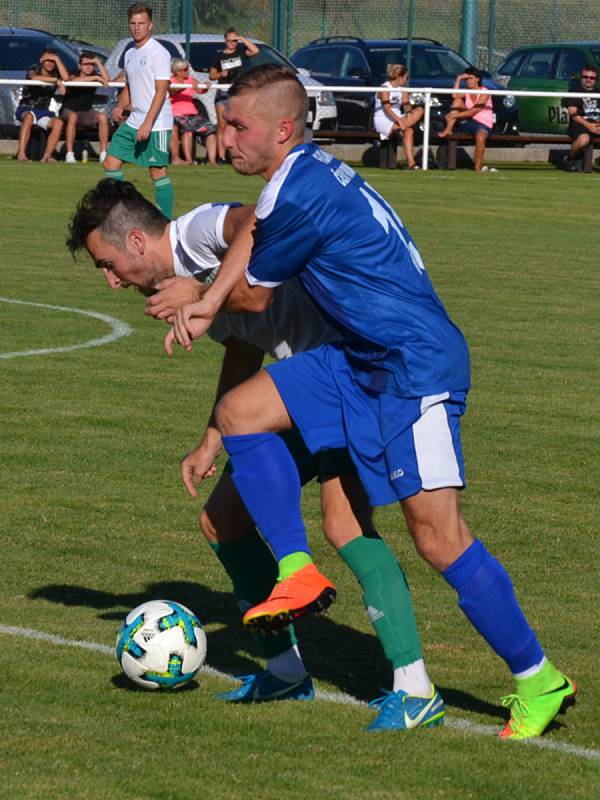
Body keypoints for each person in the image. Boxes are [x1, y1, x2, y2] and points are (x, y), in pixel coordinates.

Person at [165, 64, 576, 740]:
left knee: (438, 538)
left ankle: (537, 677)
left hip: (413, 366)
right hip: (357, 360)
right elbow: (251, 240)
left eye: (238, 125)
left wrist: (198, 297)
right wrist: (207, 298)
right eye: (223, 121)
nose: (223, 136)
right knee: (241, 412)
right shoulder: (297, 178)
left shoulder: (298, 195)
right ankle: (295, 571)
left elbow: (259, 295)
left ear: (283, 129)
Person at [66, 178, 442, 731]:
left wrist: (201, 291)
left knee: (345, 526)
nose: (111, 281)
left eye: (109, 263)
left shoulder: (194, 235)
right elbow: (245, 348)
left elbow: (254, 220)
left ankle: (415, 687)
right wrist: (211, 438)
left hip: (346, 378)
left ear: (139, 242)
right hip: (296, 393)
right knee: (223, 521)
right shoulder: (179, 278)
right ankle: (286, 672)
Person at [103, 3, 174, 218]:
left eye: (141, 23)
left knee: (157, 171)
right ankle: (122, 210)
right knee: (110, 162)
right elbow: (129, 86)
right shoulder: (130, 53)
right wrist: (121, 106)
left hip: (157, 121)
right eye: (133, 23)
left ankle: (166, 221)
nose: (136, 28)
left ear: (150, 25)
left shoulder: (159, 53)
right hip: (135, 119)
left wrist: (148, 122)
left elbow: (161, 91)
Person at [209, 27, 259, 164]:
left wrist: (242, 39)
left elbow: (256, 51)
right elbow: (212, 75)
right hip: (223, 93)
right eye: (230, 41)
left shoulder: (241, 52)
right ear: (225, 41)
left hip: (239, 93)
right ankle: (221, 156)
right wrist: (221, 74)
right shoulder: (219, 56)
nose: (233, 43)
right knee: (222, 125)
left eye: (235, 41)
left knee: (239, 125)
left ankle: (236, 154)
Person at [15, 48, 68, 162]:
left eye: (53, 61)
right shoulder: (34, 69)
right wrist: (55, 80)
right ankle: (22, 154)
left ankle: (46, 156)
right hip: (27, 108)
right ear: (41, 60)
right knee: (29, 117)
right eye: (47, 60)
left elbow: (66, 78)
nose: (50, 63)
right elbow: (34, 77)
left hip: (43, 112)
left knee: (58, 123)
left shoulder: (56, 73)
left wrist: (57, 59)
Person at [438, 68, 493, 172]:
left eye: (471, 78)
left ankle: (477, 167)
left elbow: (473, 111)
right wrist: (458, 79)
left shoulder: (485, 92)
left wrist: (453, 116)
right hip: (469, 121)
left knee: (480, 137)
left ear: (477, 79)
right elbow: (454, 95)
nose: (468, 81)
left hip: (483, 123)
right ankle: (449, 128)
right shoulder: (467, 91)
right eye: (466, 79)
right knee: (457, 101)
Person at [61, 52, 111, 164]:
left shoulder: (95, 74)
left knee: (102, 117)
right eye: (85, 64)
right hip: (69, 110)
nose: (89, 67)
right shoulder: (73, 73)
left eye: (91, 64)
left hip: (86, 112)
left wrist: (98, 62)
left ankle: (103, 154)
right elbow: (72, 81)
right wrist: (96, 77)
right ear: (79, 66)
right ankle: (69, 154)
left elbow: (107, 80)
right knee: (73, 116)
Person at [373, 64, 424, 170]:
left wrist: (409, 111)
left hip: (398, 117)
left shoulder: (403, 89)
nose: (407, 80)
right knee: (408, 129)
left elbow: (406, 104)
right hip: (383, 118)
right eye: (406, 77)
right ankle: (400, 128)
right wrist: (400, 122)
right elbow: (387, 108)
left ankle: (411, 163)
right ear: (399, 77)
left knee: (418, 114)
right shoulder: (384, 88)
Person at [169, 58, 217, 166]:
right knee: (188, 129)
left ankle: (212, 161)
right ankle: (189, 160)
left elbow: (200, 90)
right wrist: (184, 85)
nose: (188, 71)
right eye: (185, 69)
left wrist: (205, 87)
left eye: (188, 69)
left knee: (211, 129)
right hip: (177, 114)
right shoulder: (171, 81)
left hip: (192, 114)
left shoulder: (191, 79)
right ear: (178, 71)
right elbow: (172, 91)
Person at [562, 65, 600, 172]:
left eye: (591, 78)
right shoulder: (574, 92)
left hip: (597, 124)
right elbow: (573, 113)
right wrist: (589, 126)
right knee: (584, 139)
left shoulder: (599, 92)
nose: (588, 79)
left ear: (595, 80)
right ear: (582, 77)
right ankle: (570, 158)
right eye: (585, 77)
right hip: (580, 125)